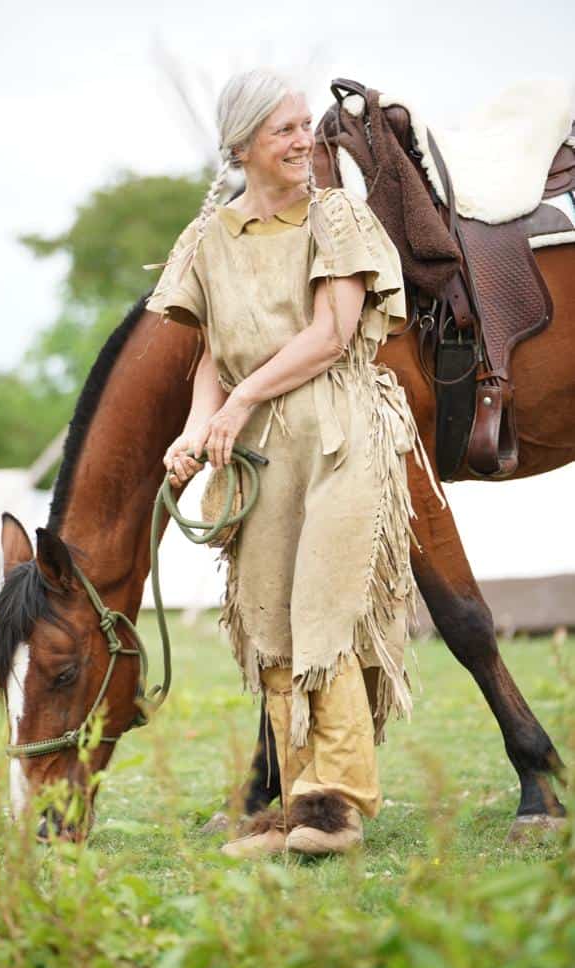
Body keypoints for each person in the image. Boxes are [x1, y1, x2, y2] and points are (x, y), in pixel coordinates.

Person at [145, 68, 442, 858]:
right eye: (284, 129)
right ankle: (293, 807)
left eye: (304, 124)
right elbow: (212, 360)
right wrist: (195, 430)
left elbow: (330, 334)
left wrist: (239, 403)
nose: (303, 140)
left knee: (324, 609)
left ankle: (334, 808)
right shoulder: (208, 238)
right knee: (271, 617)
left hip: (335, 428)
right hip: (255, 447)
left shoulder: (334, 215)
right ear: (241, 144)